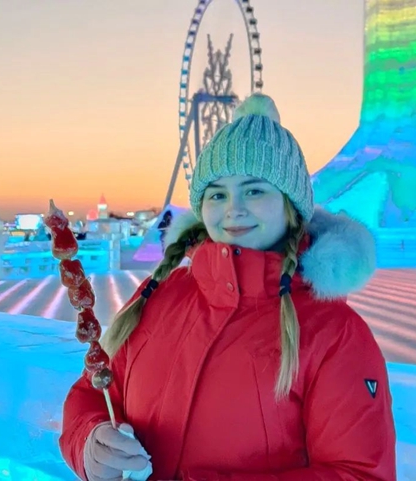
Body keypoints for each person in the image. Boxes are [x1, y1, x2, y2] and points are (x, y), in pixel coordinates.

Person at [59, 93, 396, 481]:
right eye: (217, 194)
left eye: (254, 190)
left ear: (291, 205)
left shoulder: (336, 335)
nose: (233, 208)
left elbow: (359, 473)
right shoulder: (158, 295)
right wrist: (90, 443)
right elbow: (94, 392)